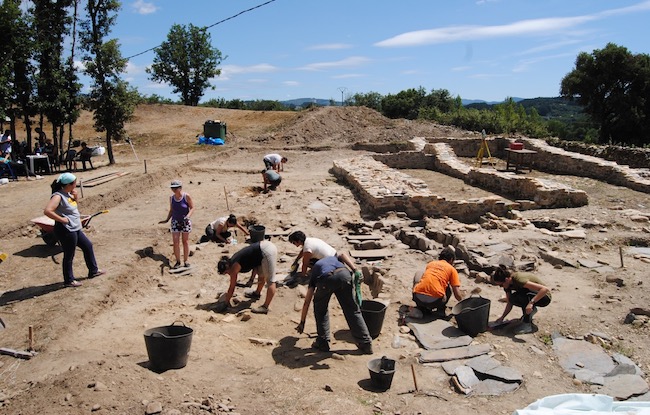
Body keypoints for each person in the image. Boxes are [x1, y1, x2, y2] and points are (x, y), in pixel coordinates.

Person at [296, 255, 373, 354]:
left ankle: (323, 342)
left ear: (311, 265)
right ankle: (366, 343)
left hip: (328, 279)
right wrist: (354, 269)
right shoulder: (332, 258)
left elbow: (307, 301)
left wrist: (302, 322)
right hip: (345, 275)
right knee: (352, 309)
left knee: (320, 309)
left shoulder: (316, 268)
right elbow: (343, 255)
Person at [43, 172, 105, 287]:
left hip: (75, 228)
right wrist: (62, 220)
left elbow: (73, 208)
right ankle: (69, 280)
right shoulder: (58, 196)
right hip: (66, 230)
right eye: (75, 183)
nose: (76, 185)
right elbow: (47, 211)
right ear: (69, 184)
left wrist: (76, 197)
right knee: (69, 254)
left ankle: (93, 270)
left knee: (88, 246)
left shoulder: (68, 194)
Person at [217, 240, 279, 314]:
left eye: (226, 272)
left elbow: (232, 287)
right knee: (261, 275)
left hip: (267, 251)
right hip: (262, 251)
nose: (228, 274)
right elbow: (254, 264)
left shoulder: (234, 268)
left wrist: (226, 302)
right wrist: (251, 279)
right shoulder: (232, 261)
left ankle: (265, 307)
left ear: (228, 267)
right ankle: (257, 293)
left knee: (271, 281)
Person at [492, 265, 551, 334]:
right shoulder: (507, 285)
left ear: (506, 279)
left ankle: (527, 324)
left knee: (522, 297)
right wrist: (502, 317)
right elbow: (509, 302)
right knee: (513, 298)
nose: (501, 287)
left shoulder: (519, 279)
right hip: (531, 296)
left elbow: (544, 289)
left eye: (501, 285)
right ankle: (530, 312)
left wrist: (531, 303)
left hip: (544, 297)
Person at [412, 246, 464, 316]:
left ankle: (421, 307)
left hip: (417, 298)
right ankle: (440, 310)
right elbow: (457, 293)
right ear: (451, 260)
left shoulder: (431, 264)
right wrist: (464, 304)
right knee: (447, 287)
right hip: (435, 302)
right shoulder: (451, 269)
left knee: (420, 275)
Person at [288, 230, 358, 276]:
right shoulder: (309, 240)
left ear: (299, 241)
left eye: (294, 242)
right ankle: (353, 268)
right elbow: (302, 252)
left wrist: (302, 275)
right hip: (334, 254)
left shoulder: (308, 248)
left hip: (329, 262)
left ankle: (330, 269)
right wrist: (296, 260)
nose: (294, 244)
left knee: (309, 263)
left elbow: (305, 264)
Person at [159, 180, 194, 269]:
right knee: (176, 242)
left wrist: (188, 216)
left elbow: (192, 208)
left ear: (180, 188)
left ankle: (186, 261)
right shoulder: (171, 198)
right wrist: (167, 219)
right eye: (172, 188)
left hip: (185, 222)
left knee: (185, 241)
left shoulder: (186, 196)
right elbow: (172, 210)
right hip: (175, 222)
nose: (174, 190)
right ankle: (178, 261)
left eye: (176, 188)